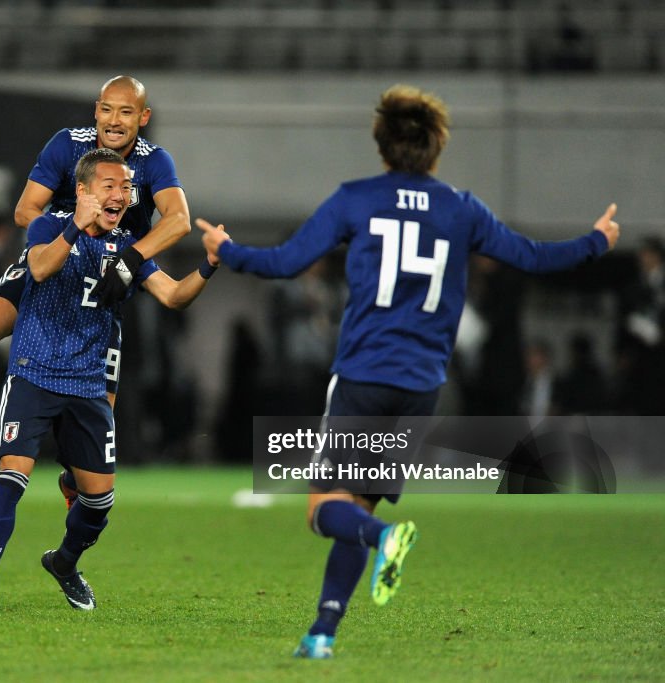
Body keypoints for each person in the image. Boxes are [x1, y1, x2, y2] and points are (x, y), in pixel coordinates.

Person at [197, 83, 619, 659]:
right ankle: (322, 633)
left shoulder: (356, 198)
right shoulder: (461, 208)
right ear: (436, 148)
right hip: (421, 388)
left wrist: (227, 249)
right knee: (356, 503)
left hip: (363, 375)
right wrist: (597, 241)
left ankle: (385, 540)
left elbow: (287, 262)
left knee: (325, 512)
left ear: (382, 144)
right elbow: (534, 256)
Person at [0, 149, 221, 612]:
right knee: (11, 479)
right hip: (34, 374)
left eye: (126, 187)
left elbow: (175, 296)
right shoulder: (49, 225)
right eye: (109, 185)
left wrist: (209, 265)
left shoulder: (129, 248)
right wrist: (75, 226)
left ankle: (64, 563)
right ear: (82, 191)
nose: (120, 194)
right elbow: (40, 267)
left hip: (87, 385)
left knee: (99, 505)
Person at [0, 75, 191, 496]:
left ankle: (70, 521)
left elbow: (179, 220)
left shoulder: (155, 161)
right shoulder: (67, 144)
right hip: (54, 261)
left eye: (126, 112)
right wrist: (68, 234)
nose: (114, 121)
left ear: (143, 117)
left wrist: (129, 258)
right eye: (107, 109)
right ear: (96, 111)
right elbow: (26, 209)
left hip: (107, 284)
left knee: (95, 439)